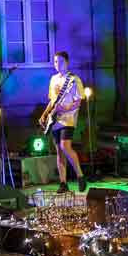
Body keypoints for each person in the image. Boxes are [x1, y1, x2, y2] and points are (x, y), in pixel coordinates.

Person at [39, 51, 87, 194]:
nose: (57, 64)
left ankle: (80, 175)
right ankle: (63, 183)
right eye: (55, 62)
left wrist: (66, 108)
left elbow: (78, 101)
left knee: (65, 146)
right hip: (54, 119)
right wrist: (44, 114)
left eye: (60, 61)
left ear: (67, 62)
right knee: (59, 152)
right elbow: (52, 101)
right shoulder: (53, 79)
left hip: (68, 119)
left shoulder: (74, 80)